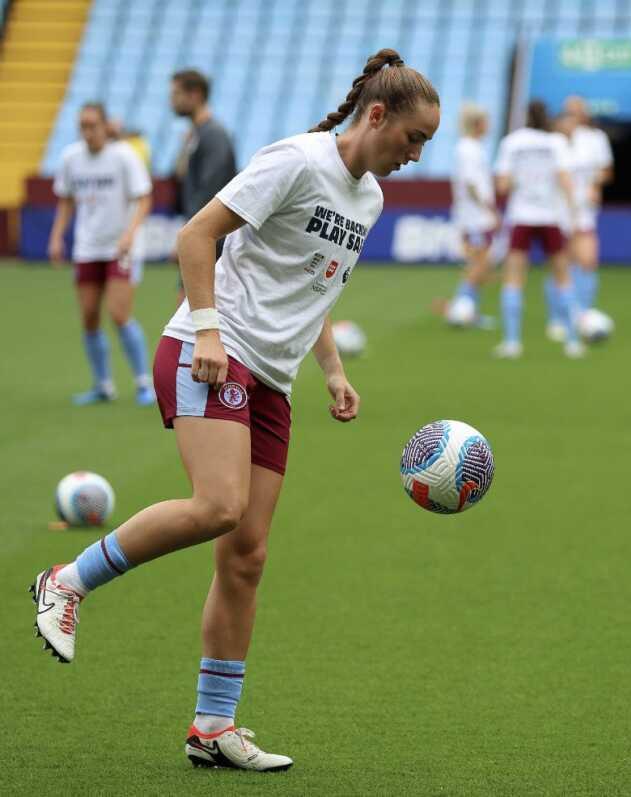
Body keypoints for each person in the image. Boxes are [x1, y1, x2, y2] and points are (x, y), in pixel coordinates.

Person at [31, 49, 441, 772]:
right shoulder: (295, 161)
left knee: (246, 555)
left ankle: (213, 726)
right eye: (413, 138)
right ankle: (67, 581)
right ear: (376, 115)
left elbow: (313, 288)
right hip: (207, 350)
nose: (416, 154)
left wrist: (334, 369)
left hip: (271, 381)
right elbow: (195, 235)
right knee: (219, 505)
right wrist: (212, 329)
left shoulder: (368, 199)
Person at [48, 102, 155, 405]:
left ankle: (142, 382)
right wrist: (57, 237)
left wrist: (129, 234)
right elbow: (66, 200)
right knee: (89, 316)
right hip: (87, 247)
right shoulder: (71, 158)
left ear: (105, 126)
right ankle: (103, 385)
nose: (87, 132)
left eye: (92, 125)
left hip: (119, 247)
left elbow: (144, 198)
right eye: (82, 126)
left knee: (119, 314)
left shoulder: (123, 156)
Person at [493, 99, 582, 359]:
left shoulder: (512, 142)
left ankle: (512, 343)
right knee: (563, 278)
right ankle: (573, 342)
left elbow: (502, 186)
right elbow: (566, 181)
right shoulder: (557, 143)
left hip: (522, 215)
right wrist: (574, 217)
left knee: (513, 279)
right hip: (551, 217)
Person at [545, 96, 614, 340]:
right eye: (568, 113)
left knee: (588, 260)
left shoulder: (595, 139)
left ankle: (582, 314)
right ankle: (557, 318)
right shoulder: (553, 142)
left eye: (577, 112)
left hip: (584, 209)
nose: (572, 118)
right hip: (557, 210)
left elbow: (606, 171)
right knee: (562, 263)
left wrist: (595, 184)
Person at [170, 69, 237, 303]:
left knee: (191, 315)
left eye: (177, 93)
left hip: (210, 240)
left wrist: (190, 234)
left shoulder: (214, 135)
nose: (172, 100)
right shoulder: (197, 135)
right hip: (202, 236)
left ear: (195, 94)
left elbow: (211, 190)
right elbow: (179, 176)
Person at [444, 102, 498, 328]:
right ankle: (462, 308)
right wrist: (489, 209)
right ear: (478, 124)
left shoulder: (473, 147)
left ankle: (468, 310)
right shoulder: (467, 148)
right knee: (479, 264)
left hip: (476, 216)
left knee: (480, 263)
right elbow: (471, 184)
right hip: (473, 217)